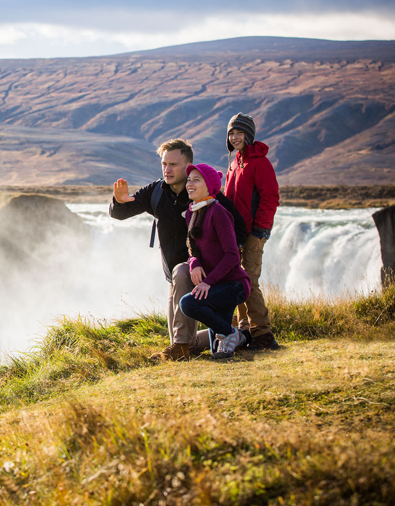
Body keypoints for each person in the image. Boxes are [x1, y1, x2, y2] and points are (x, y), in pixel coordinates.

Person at [110, 139, 246, 361]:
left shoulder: (204, 192)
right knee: (180, 333)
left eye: (173, 164)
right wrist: (119, 202)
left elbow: (237, 228)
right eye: (164, 164)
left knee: (180, 337)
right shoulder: (156, 191)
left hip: (203, 271)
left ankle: (185, 347)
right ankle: (230, 334)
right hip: (173, 271)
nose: (167, 169)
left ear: (188, 165)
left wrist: (216, 262)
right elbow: (119, 214)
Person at [178, 163, 251, 359]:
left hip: (233, 285)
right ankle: (236, 336)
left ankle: (234, 333)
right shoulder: (192, 212)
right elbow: (192, 246)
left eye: (196, 180)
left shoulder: (218, 212)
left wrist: (207, 282)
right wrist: (195, 263)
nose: (190, 184)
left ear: (210, 186)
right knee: (218, 350)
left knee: (188, 303)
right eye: (188, 180)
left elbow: (232, 255)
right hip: (216, 286)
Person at [224, 113, 280, 350]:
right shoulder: (235, 162)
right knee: (240, 281)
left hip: (254, 233)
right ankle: (246, 329)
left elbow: (270, 197)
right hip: (236, 233)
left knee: (250, 282)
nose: (235, 137)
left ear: (249, 135)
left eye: (240, 133)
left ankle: (264, 334)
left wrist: (260, 229)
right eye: (232, 133)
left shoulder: (259, 162)